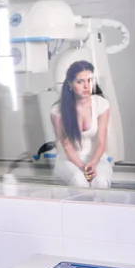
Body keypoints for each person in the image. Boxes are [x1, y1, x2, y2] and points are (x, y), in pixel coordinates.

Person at [50, 60, 113, 188]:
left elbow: (101, 141)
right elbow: (66, 146)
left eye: (89, 80)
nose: (86, 86)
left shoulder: (101, 104)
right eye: (80, 82)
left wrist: (93, 164)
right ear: (70, 84)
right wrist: (82, 167)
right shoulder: (57, 110)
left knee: (100, 182)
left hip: (97, 158)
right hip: (68, 160)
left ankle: (100, 207)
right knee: (79, 181)